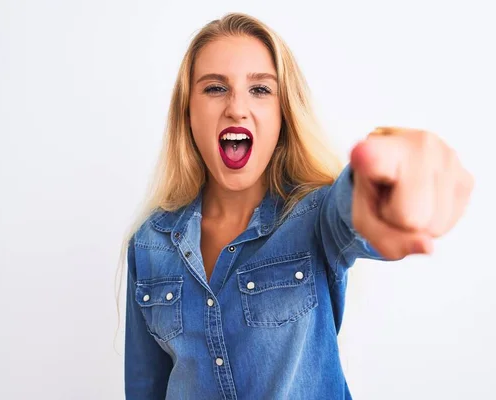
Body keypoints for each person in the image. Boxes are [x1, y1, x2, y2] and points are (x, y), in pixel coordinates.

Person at [119, 12, 473, 400]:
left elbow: (352, 210)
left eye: (260, 90)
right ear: (187, 112)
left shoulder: (315, 216)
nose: (236, 108)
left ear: (283, 113)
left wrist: (387, 189)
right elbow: (145, 387)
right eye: (215, 88)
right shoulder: (150, 243)